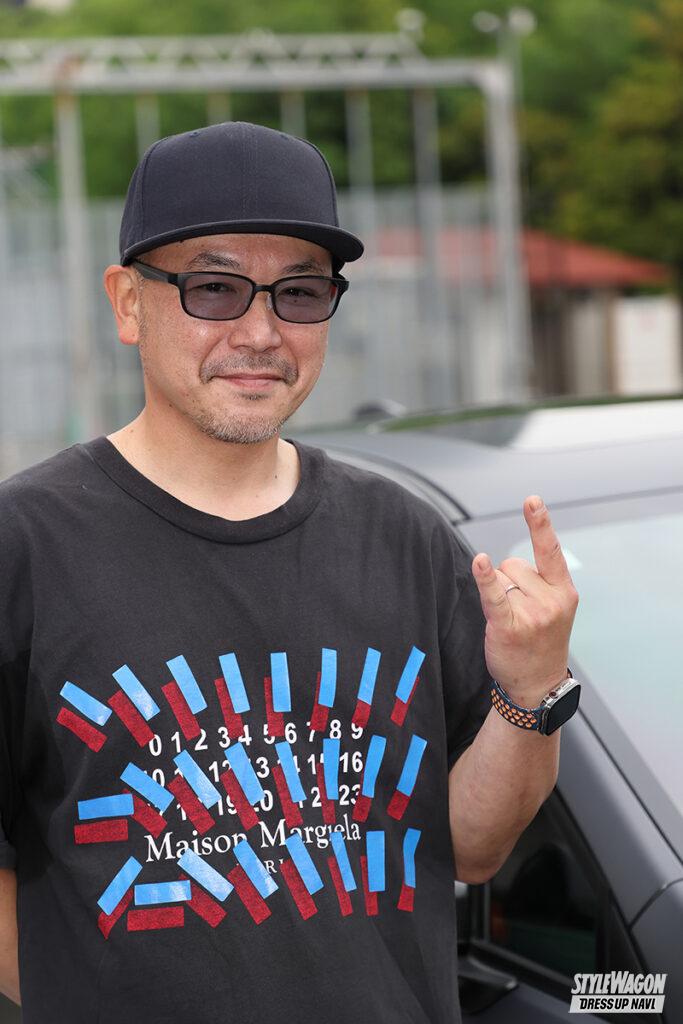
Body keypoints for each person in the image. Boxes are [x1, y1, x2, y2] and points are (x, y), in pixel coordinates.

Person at [0, 121, 579, 1023]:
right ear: (128, 302)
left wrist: (530, 691)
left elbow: (471, 849)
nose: (261, 331)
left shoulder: (404, 537)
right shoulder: (26, 546)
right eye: (214, 288)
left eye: (300, 292)